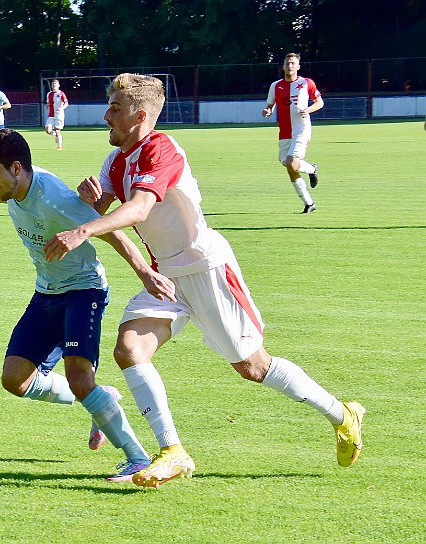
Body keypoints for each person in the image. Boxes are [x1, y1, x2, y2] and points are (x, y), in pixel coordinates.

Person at [44, 73, 365, 489]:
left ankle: (342, 414)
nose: (106, 115)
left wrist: (85, 230)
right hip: (167, 279)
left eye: (115, 109)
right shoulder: (116, 160)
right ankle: (173, 452)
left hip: (207, 270)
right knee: (129, 349)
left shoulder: (164, 150)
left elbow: (139, 209)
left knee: (252, 366)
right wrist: (91, 204)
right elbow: (104, 209)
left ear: (140, 116)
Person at [0, 128, 177, 482]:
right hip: (47, 293)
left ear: (16, 168)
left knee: (79, 377)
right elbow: (2, 197)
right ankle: (102, 398)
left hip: (84, 291)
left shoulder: (55, 199)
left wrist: (145, 272)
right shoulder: (12, 188)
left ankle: (137, 458)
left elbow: (110, 231)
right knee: (15, 380)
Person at [262, 53, 324, 214]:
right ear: (283, 67)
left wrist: (308, 110)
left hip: (301, 129)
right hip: (284, 133)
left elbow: (320, 102)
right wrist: (268, 110)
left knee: (292, 162)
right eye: (287, 63)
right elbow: (271, 104)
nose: (290, 66)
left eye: (293, 63)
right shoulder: (275, 86)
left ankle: (312, 169)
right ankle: (309, 203)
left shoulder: (306, 83)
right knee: (289, 167)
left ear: (298, 66)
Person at [45, 79, 69, 150]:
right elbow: (48, 102)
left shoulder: (61, 94)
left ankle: (59, 146)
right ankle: (55, 135)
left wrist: (62, 108)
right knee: (48, 130)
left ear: (58, 85)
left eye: (55, 84)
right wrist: (47, 104)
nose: (54, 85)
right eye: (53, 84)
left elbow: (66, 103)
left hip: (59, 114)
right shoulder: (49, 94)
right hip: (51, 115)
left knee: (57, 129)